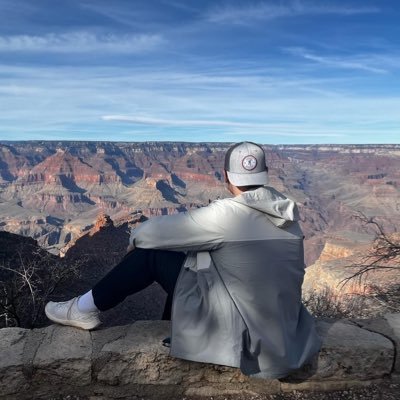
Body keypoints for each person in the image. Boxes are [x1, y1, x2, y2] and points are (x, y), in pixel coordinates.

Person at [45, 141, 321, 379]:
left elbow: (150, 232)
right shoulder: (288, 215)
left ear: (226, 175)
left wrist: (133, 243)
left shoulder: (227, 214)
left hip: (247, 339)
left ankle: (82, 309)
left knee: (153, 255)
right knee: (195, 260)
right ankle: (174, 329)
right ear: (264, 176)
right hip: (285, 333)